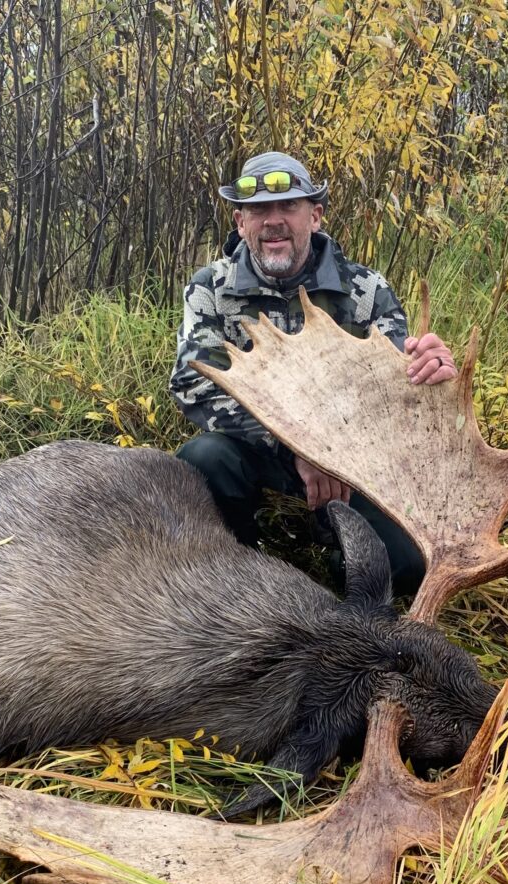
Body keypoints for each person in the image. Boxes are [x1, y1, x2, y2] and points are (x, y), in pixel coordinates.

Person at [170, 151, 458, 597]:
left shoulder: (366, 291)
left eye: (289, 206)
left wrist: (434, 377)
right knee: (204, 460)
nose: (273, 221)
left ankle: (337, 564)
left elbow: (397, 392)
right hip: (258, 451)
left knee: (409, 566)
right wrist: (298, 445)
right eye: (259, 210)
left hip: (353, 463)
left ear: (316, 216)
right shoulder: (210, 289)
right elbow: (195, 384)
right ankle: (234, 576)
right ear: (241, 222)